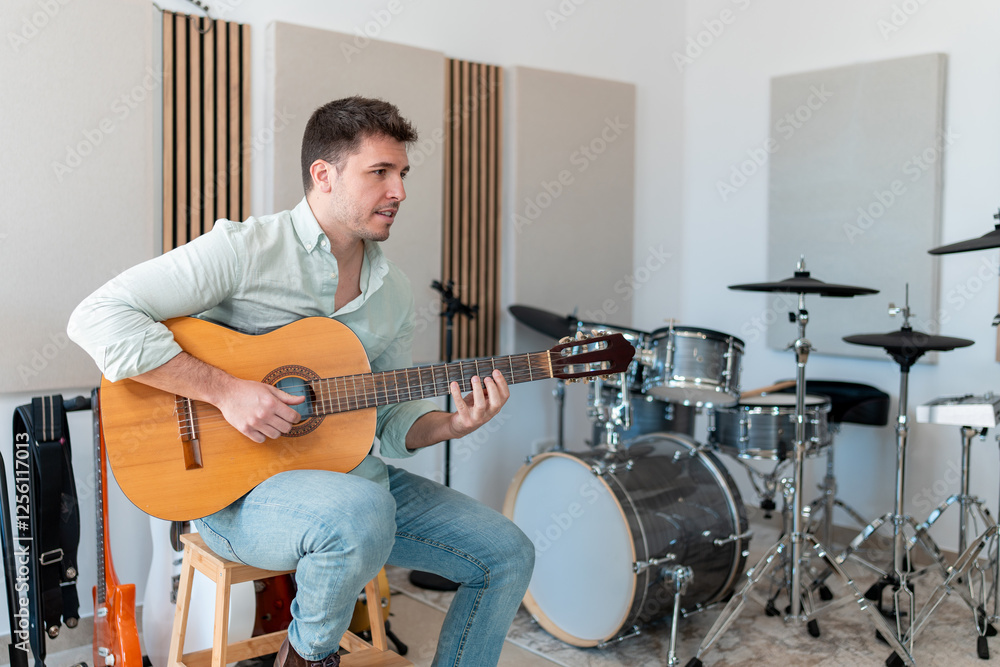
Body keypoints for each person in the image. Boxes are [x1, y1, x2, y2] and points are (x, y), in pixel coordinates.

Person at [68, 96, 535, 667]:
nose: (400, 192)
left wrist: (448, 424)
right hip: (238, 498)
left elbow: (389, 424)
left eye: (403, 174)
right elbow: (96, 315)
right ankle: (307, 659)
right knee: (360, 511)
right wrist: (225, 390)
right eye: (380, 173)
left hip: (356, 486)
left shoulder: (394, 293)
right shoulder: (243, 251)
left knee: (506, 552)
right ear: (324, 175)